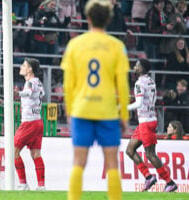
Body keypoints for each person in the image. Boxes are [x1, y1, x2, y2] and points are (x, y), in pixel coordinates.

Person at [61, 0, 130, 199]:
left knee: (78, 162)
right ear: (108, 19)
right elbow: (123, 86)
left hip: (82, 110)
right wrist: (124, 115)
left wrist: (69, 110)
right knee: (112, 165)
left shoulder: (74, 45)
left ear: (88, 18)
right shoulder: (117, 47)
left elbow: (68, 84)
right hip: (107, 112)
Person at [126, 58, 178, 192]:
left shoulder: (139, 83)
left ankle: (169, 182)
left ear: (142, 69)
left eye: (137, 65)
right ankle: (148, 177)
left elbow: (138, 104)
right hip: (148, 119)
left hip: (146, 121)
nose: (135, 66)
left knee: (150, 154)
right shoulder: (150, 81)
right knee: (130, 150)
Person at [13, 58, 45, 190]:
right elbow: (41, 94)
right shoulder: (39, 82)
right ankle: (41, 186)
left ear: (30, 69)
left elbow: (29, 92)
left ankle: (23, 183)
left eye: (24, 65)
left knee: (12, 152)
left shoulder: (30, 83)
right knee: (36, 154)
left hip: (29, 123)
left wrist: (17, 93)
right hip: (38, 121)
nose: (21, 67)